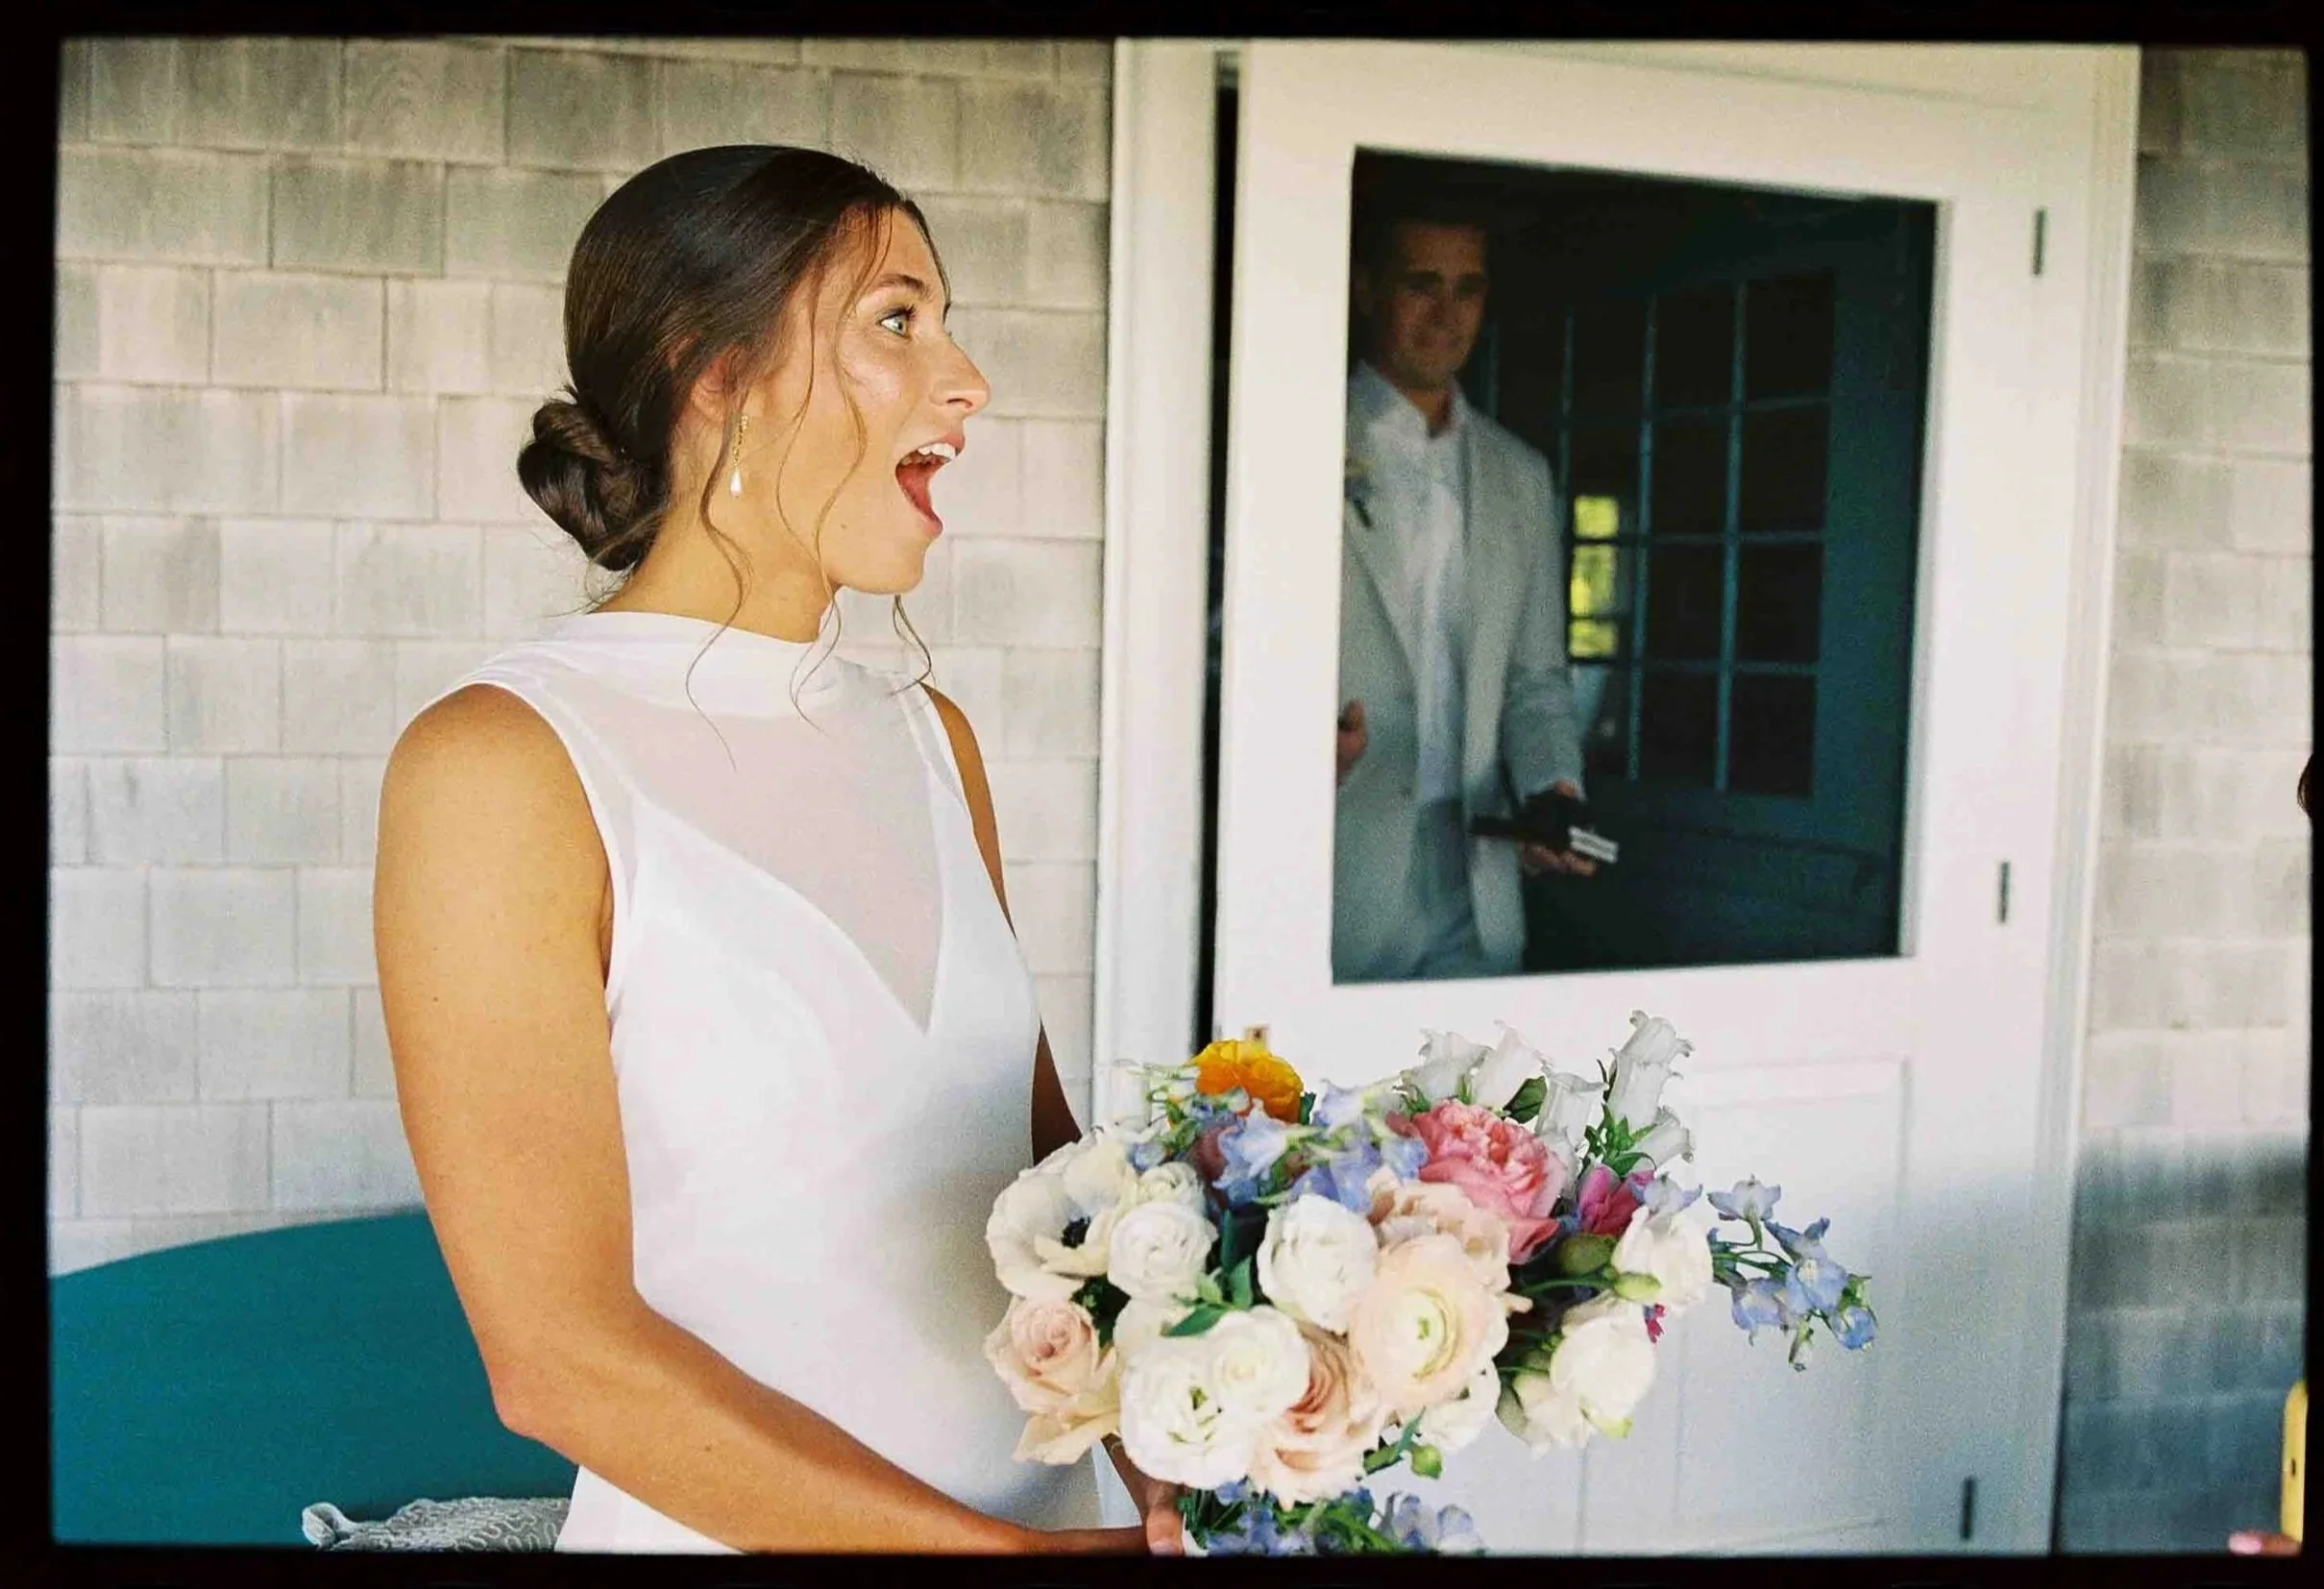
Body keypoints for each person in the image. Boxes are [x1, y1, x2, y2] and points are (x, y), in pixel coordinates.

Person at [372, 146, 1175, 1555]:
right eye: (896, 320)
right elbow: (558, 1358)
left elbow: (1048, 1193)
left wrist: (1190, 1427)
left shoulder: (931, 737)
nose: (966, 381)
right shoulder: (502, 763)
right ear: (715, 372)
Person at [1333, 192, 1596, 985]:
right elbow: (1215, 646)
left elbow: (1536, 680)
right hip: (1333, 856)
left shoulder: (1520, 474)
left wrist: (1552, 791)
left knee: (1474, 1070)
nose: (1446, 315)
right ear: (1366, 290)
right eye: (1421, 284)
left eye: (1467, 288)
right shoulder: (1290, 438)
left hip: (1477, 870)